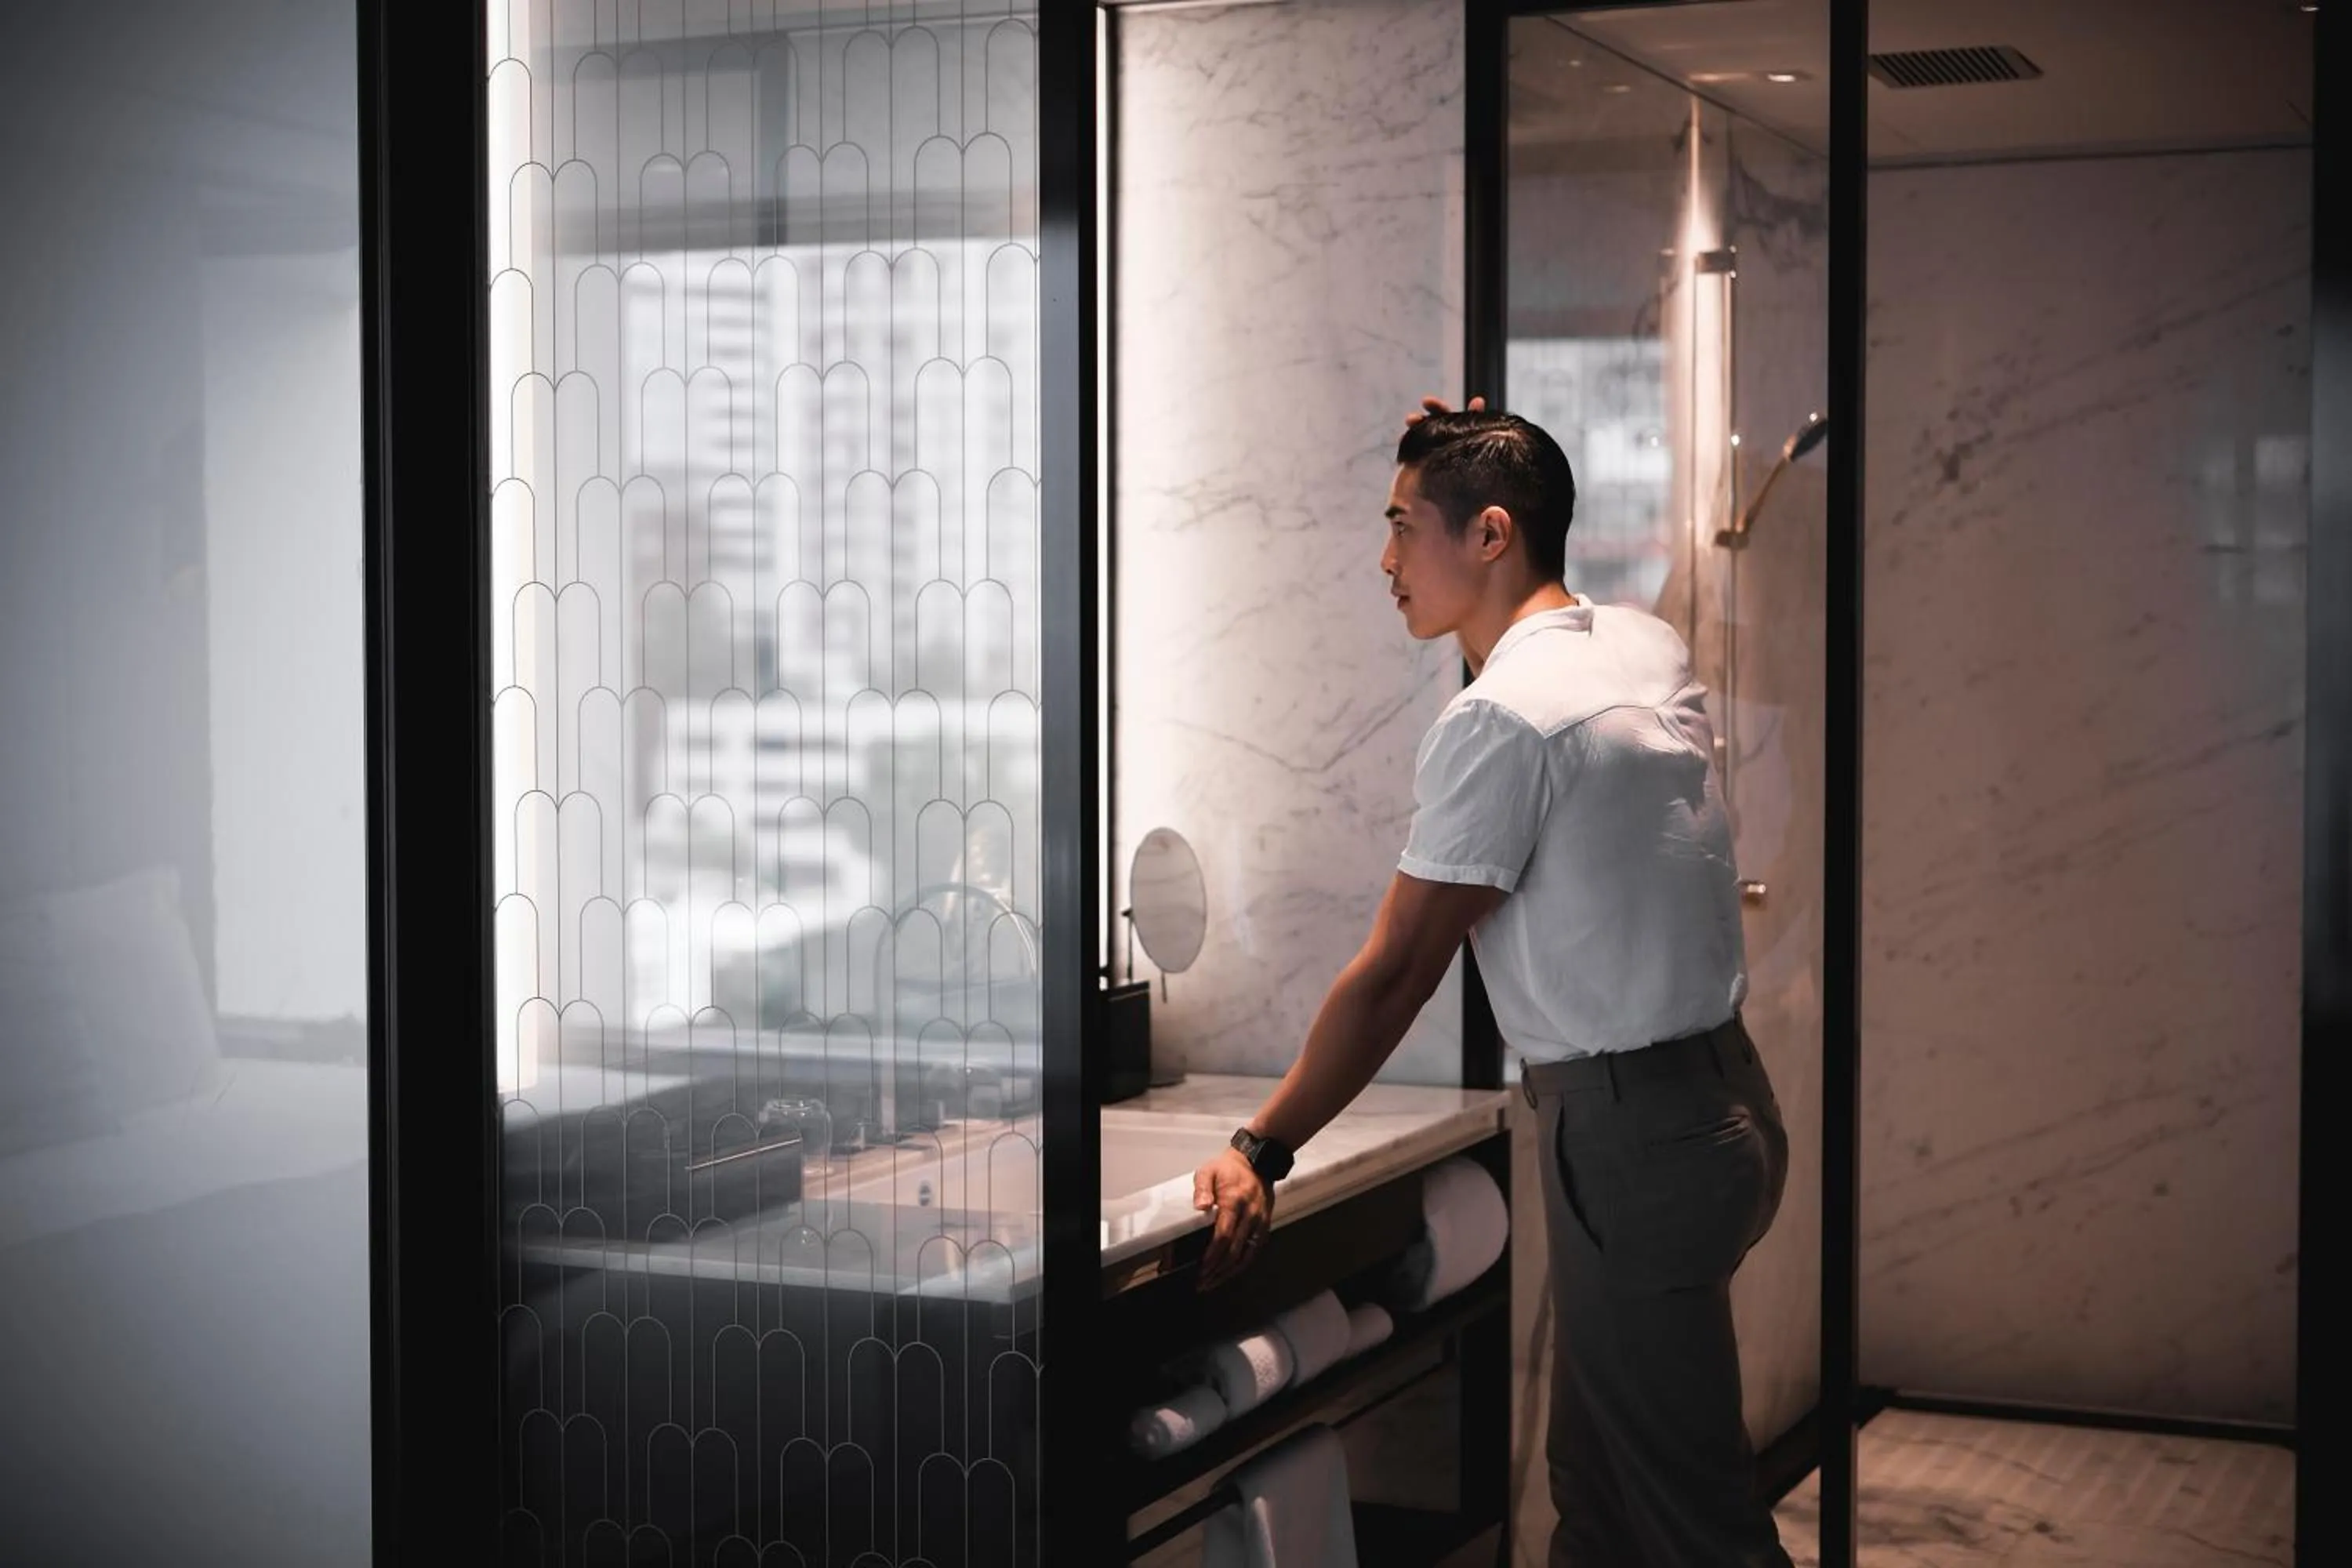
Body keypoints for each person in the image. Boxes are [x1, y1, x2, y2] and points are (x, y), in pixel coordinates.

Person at [1189, 396, 1794, 1566]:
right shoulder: (1642, 646)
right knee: (1601, 1497)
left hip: (1632, 1141)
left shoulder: (1502, 721)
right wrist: (1476, 449)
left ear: (1491, 534)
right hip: (1719, 1107)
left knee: (1693, 1528)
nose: (1385, 560)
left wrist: (1262, 1147)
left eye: (1402, 524)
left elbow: (1398, 973)